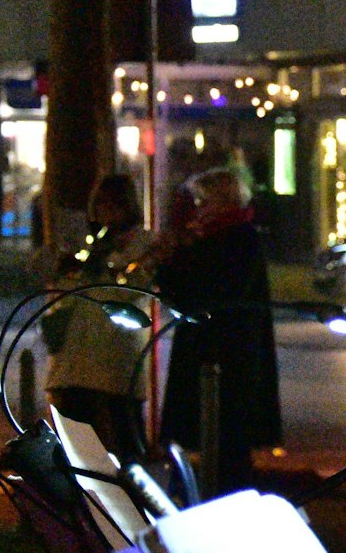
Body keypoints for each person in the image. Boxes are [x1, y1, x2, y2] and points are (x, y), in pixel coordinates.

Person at [155, 168, 280, 494]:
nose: (198, 208)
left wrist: (180, 260)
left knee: (228, 443)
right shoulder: (210, 238)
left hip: (228, 359)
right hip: (204, 352)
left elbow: (219, 294)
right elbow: (182, 295)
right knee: (203, 440)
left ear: (224, 202)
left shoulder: (242, 239)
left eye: (203, 200)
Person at [43, 173, 154, 456]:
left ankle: (131, 497)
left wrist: (112, 262)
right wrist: (62, 263)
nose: (107, 212)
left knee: (123, 440)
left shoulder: (139, 242)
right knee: (77, 444)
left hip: (115, 357)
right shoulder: (86, 243)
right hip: (75, 359)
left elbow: (132, 290)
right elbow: (58, 285)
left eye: (115, 205)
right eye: (101, 204)